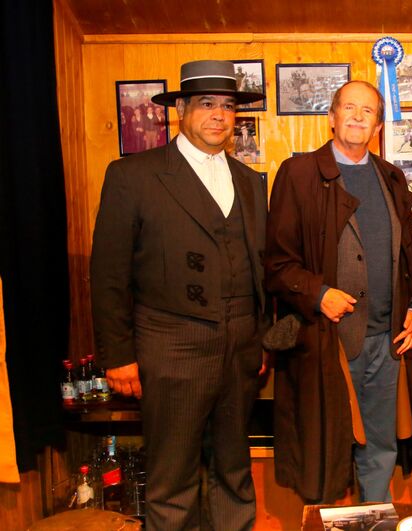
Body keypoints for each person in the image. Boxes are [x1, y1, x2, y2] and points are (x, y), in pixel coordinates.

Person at [90, 60, 269, 530]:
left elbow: (260, 270)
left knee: (234, 471)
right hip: (171, 345)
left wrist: (260, 340)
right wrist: (118, 356)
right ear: (182, 111)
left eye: (228, 106)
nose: (219, 115)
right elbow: (108, 273)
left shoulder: (251, 182)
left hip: (240, 348)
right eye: (207, 104)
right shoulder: (134, 175)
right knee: (173, 481)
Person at [265, 80, 412, 503]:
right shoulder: (299, 174)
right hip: (327, 341)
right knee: (327, 450)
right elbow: (277, 264)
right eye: (349, 108)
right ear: (332, 116)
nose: (358, 116)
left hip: (386, 342)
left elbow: (406, 258)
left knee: (381, 446)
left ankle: (375, 520)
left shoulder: (391, 177)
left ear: (378, 125)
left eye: (369, 111)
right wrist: (318, 293)